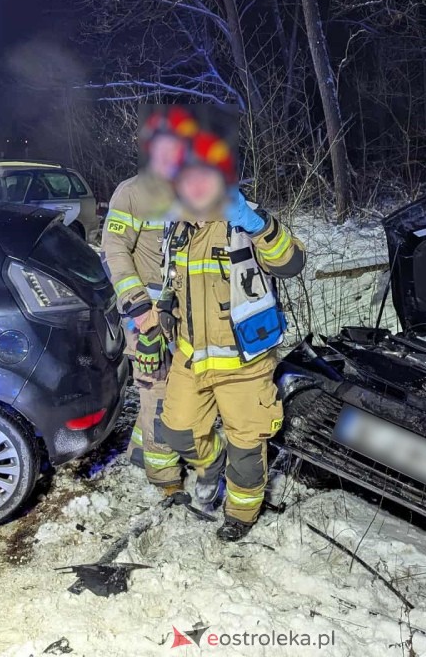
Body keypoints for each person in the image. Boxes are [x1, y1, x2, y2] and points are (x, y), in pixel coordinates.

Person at [158, 127, 306, 542]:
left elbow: (291, 262)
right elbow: (172, 281)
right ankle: (212, 459)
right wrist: (166, 306)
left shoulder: (247, 220)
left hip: (245, 362)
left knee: (247, 449)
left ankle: (241, 514)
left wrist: (257, 224)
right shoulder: (178, 227)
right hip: (192, 358)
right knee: (179, 432)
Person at [103, 106, 194, 498]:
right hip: (148, 316)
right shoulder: (132, 192)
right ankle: (165, 479)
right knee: (158, 392)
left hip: (185, 315)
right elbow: (114, 250)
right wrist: (139, 308)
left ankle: (143, 451)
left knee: (176, 388)